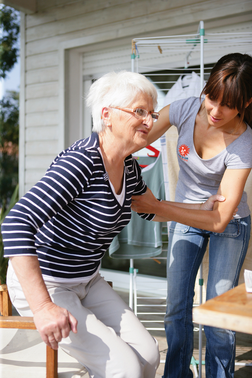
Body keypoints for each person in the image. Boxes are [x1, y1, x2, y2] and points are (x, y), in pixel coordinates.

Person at [1, 70, 225, 378]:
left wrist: (198, 208)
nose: (150, 121)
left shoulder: (129, 166)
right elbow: (16, 224)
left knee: (148, 356)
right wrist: (43, 308)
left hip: (87, 280)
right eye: (139, 112)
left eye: (152, 112)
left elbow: (152, 209)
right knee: (126, 369)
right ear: (106, 115)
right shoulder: (80, 162)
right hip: (50, 283)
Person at [131, 52, 252, 378]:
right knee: (176, 310)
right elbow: (134, 139)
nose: (214, 110)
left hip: (229, 222)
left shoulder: (244, 144)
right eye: (212, 97)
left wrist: (158, 207)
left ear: (246, 102)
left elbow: (219, 219)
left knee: (218, 315)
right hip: (186, 213)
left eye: (227, 105)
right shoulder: (185, 109)